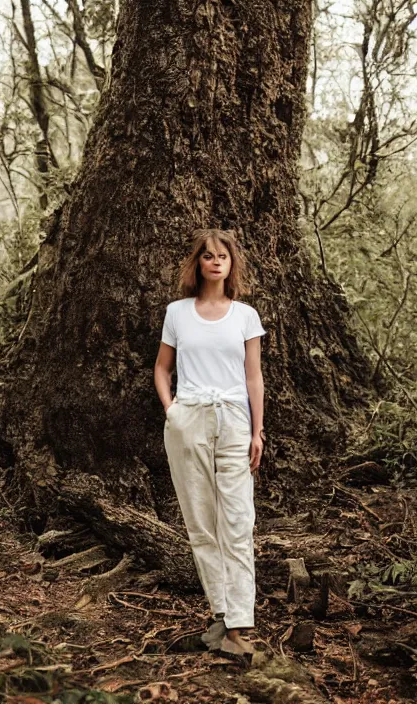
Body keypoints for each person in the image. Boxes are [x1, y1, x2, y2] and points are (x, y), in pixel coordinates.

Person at [153, 227, 266, 658]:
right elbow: (162, 369)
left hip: (235, 421)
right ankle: (221, 614)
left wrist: (257, 431)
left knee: (237, 521)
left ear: (231, 263)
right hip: (189, 421)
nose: (216, 261)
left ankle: (239, 624)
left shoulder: (245, 316)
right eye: (208, 255)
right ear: (197, 263)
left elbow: (253, 377)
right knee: (201, 521)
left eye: (223, 255)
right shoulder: (178, 313)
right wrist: (172, 410)